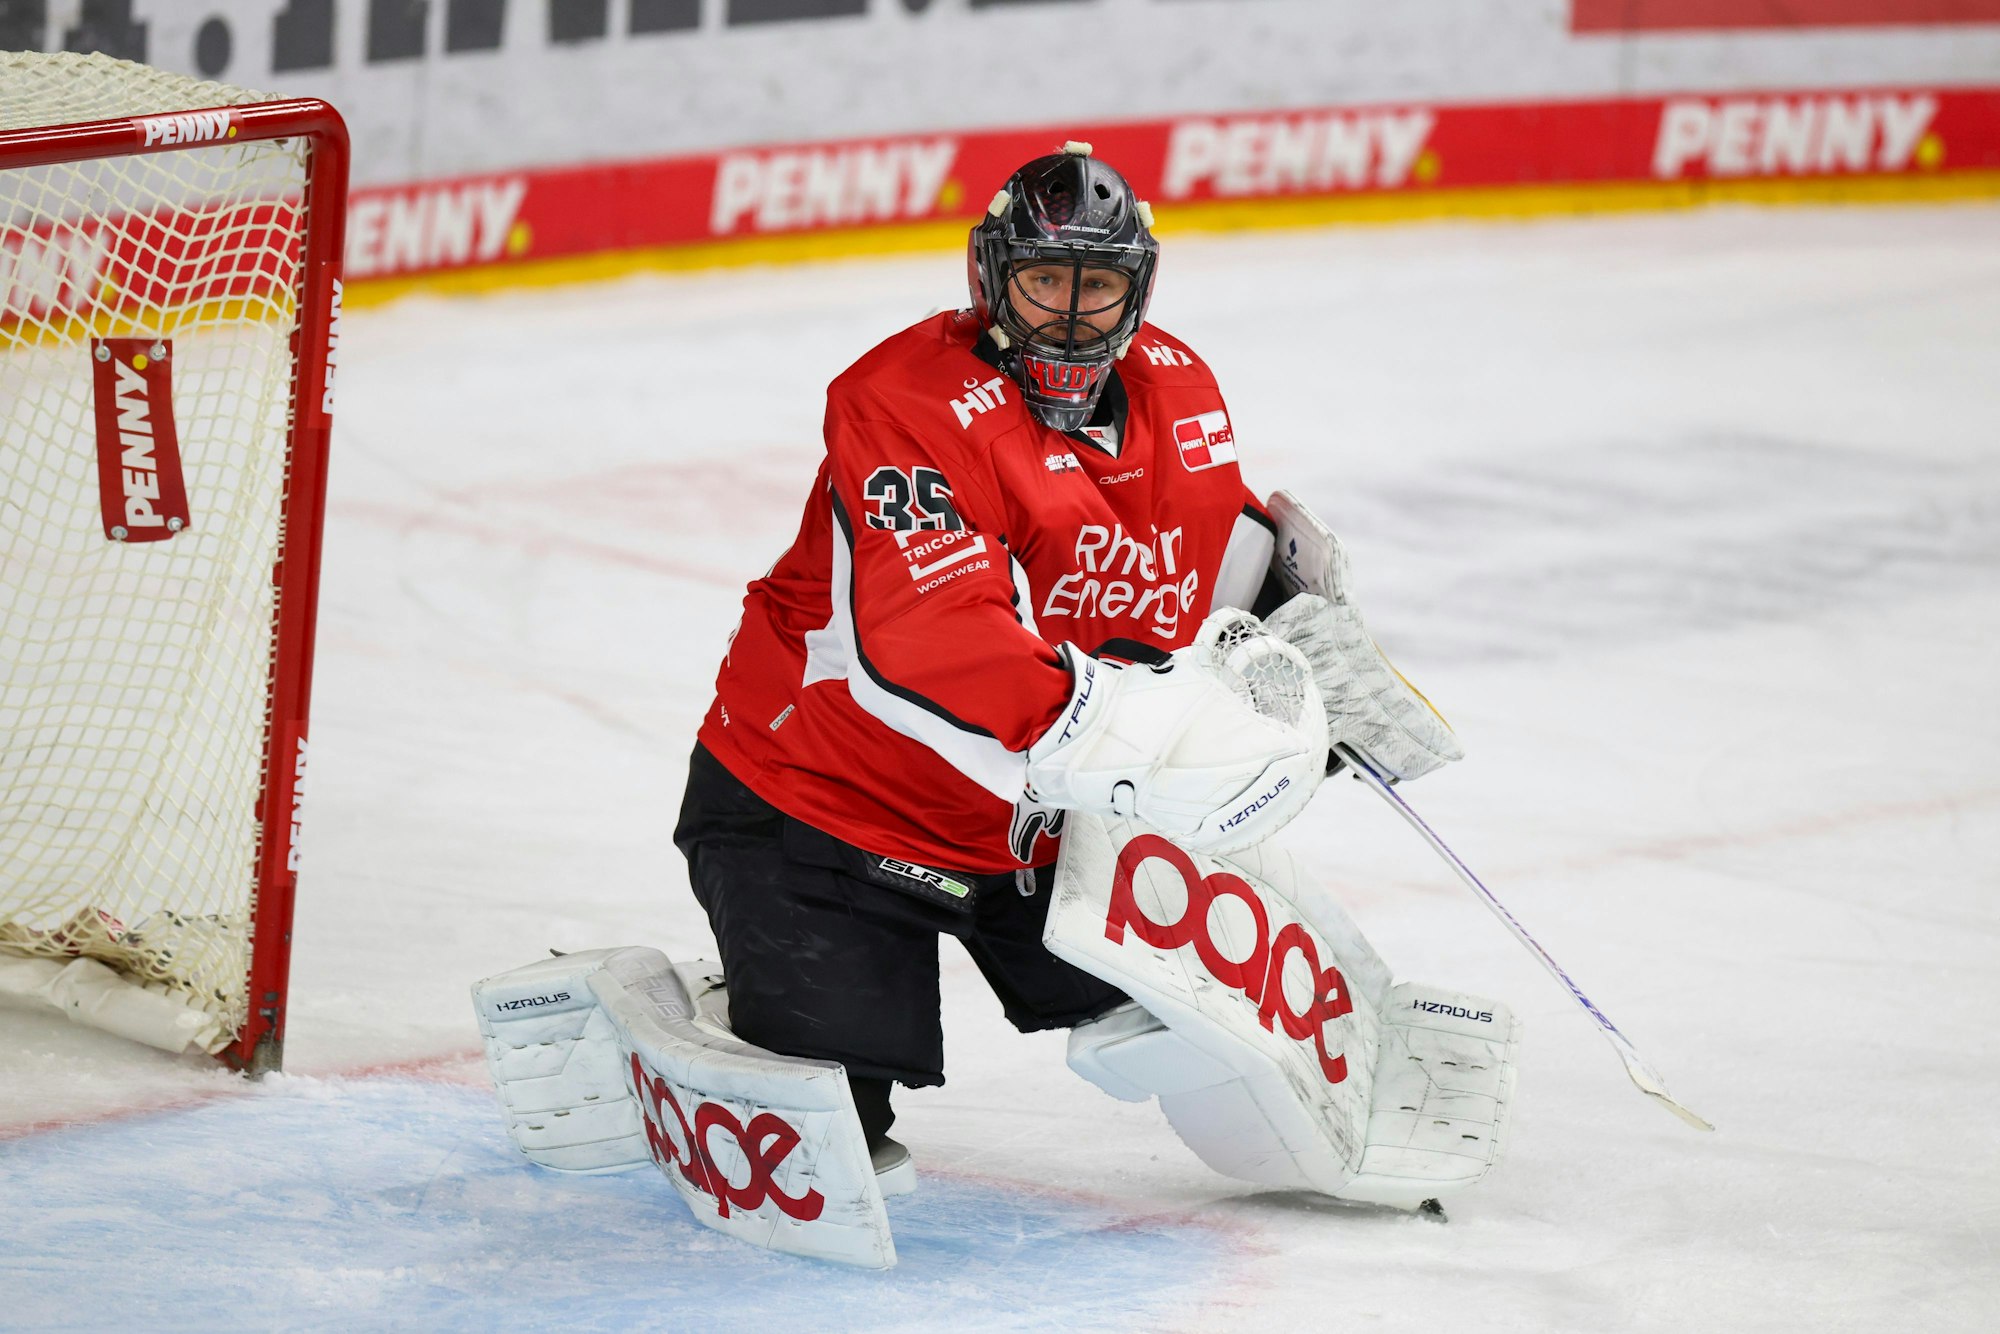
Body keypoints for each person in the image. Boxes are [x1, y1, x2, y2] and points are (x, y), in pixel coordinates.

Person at [673, 143, 1339, 1181]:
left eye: (1099, 285)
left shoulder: (1178, 385)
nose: (1071, 316)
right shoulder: (900, 402)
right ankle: (734, 1011)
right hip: (824, 807)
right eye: (1042, 282)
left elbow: (1204, 555)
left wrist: (1299, 646)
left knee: (1201, 1034)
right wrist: (1135, 736)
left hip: (1032, 823)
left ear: (1138, 287)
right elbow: (931, 635)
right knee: (830, 1135)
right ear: (989, 278)